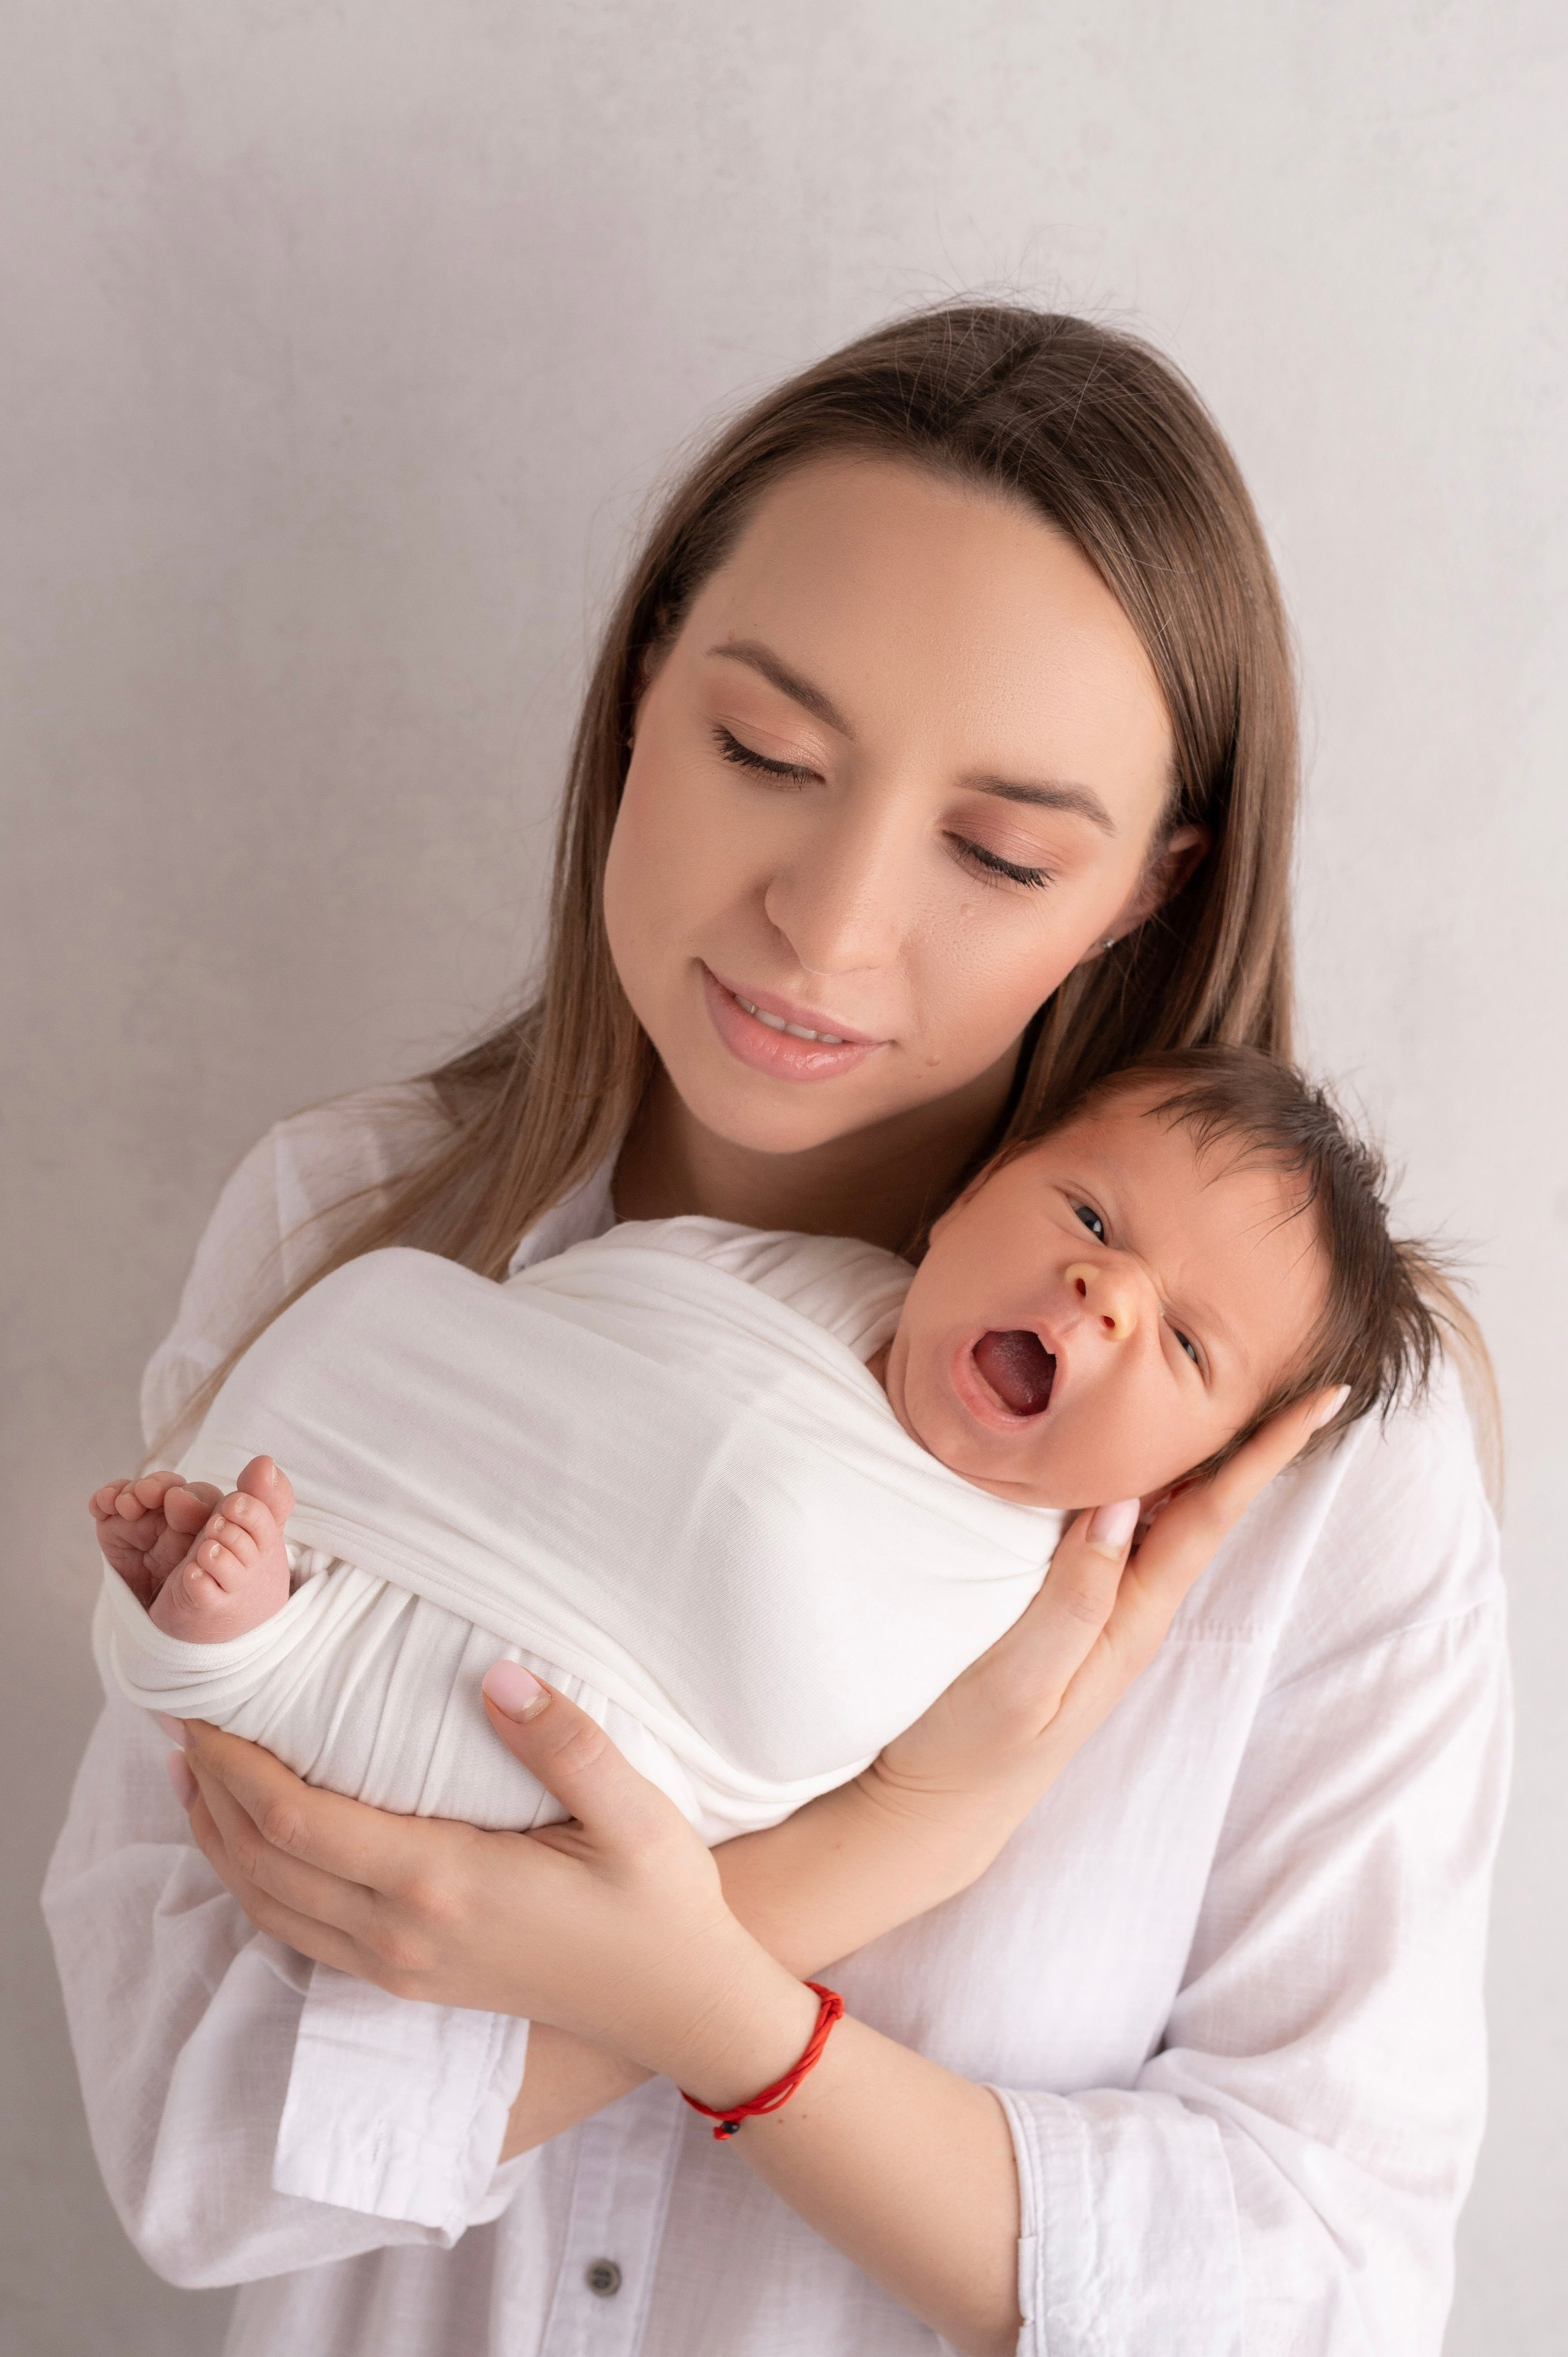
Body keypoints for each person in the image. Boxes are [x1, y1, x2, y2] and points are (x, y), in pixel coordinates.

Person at [44, 306, 1507, 2357]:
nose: (826, 923)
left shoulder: (1305, 1456)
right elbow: (202, 2150)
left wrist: (717, 2011)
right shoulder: (346, 1222)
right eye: (768, 757)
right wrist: (894, 1842)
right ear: (644, 688)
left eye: (999, 849)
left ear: (1145, 898)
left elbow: (1319, 2286)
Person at [90, 1050, 1435, 1863]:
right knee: (380, 1303)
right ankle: (250, 1593)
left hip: (584, 1722)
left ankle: (240, 1644)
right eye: (1087, 1212)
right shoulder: (808, 1277)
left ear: (1198, 1467)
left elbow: (803, 1689)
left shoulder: (1009, 1583)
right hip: (448, 1491)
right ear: (974, 1192)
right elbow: (610, 1299)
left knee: (471, 1734)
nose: (1104, 1292)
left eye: (1186, 1346)